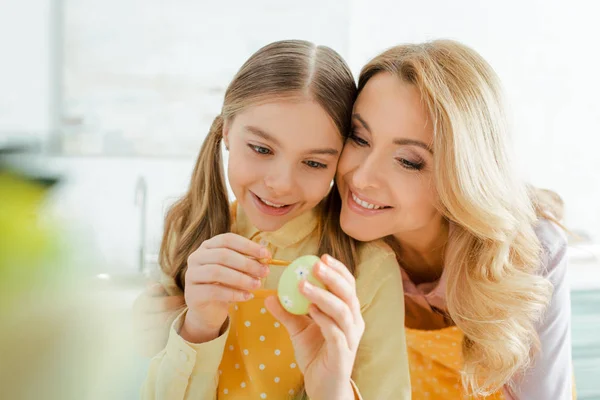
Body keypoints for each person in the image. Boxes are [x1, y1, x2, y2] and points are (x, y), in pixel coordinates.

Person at [140, 39, 411, 400]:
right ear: (226, 130)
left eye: (314, 163)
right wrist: (198, 327)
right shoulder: (187, 230)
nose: (281, 184)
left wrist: (333, 389)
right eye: (262, 149)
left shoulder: (369, 268)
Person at [336, 39, 574, 399]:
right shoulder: (327, 242)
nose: (361, 177)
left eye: (408, 161)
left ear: (463, 175)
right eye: (359, 138)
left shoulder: (533, 253)